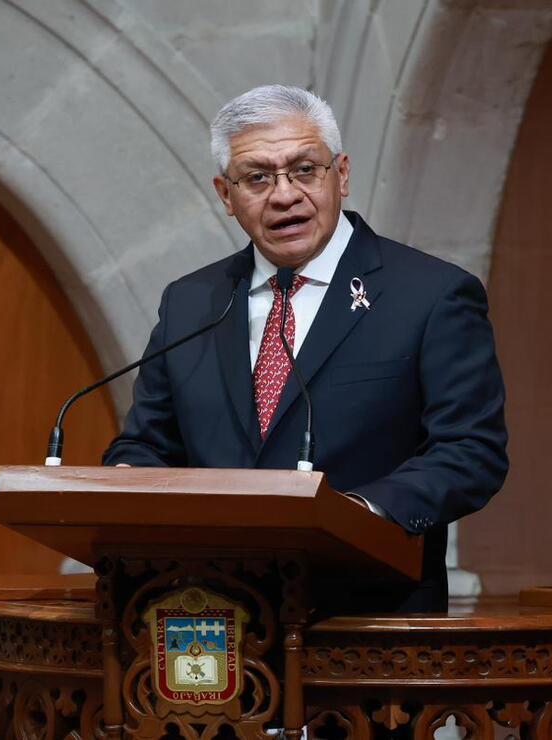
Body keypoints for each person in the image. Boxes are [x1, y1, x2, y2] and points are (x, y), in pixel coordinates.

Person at [103, 84, 508, 614]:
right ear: (226, 196)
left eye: (303, 170)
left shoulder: (429, 295)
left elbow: (470, 452)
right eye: (257, 178)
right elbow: (146, 446)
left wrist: (352, 515)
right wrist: (129, 481)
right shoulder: (191, 303)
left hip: (369, 624)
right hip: (212, 616)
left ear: (340, 175)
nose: (284, 194)